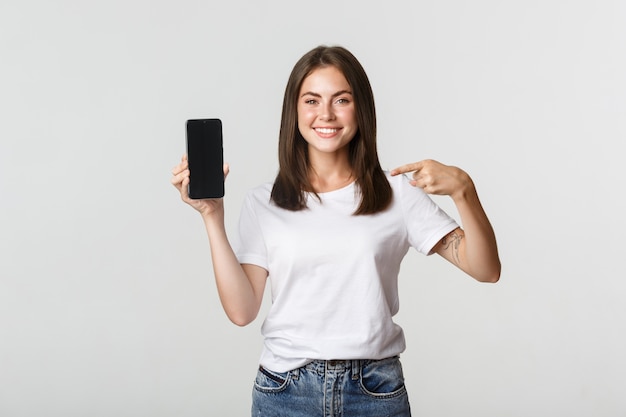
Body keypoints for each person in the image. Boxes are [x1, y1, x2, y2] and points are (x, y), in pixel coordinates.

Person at [171, 45, 500, 417]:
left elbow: (486, 269)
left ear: (361, 108)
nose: (325, 114)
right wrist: (212, 217)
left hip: (374, 391)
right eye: (311, 100)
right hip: (285, 391)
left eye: (341, 100)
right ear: (293, 111)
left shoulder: (397, 193)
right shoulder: (264, 201)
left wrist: (464, 190)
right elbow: (243, 311)